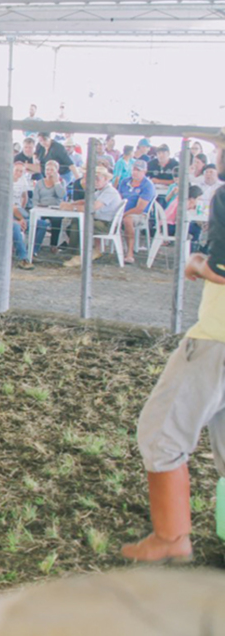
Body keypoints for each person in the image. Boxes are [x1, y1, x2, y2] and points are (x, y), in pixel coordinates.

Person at [121, 188, 225, 563]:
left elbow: (223, 268)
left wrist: (199, 263)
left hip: (217, 340)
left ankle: (171, 537)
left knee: (161, 433)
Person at [61, 167, 125, 266]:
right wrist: (72, 204)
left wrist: (71, 208)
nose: (95, 181)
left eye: (98, 179)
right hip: (100, 222)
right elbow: (86, 201)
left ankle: (77, 254)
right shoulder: (100, 190)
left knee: (79, 224)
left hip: (106, 225)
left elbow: (92, 207)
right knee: (75, 222)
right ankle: (74, 251)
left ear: (106, 179)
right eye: (93, 179)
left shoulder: (109, 191)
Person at [119, 159, 157, 264]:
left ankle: (129, 253)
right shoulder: (124, 181)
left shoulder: (147, 185)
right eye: (134, 169)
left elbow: (140, 208)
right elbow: (118, 198)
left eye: (138, 170)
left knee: (128, 220)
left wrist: (122, 215)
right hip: (121, 211)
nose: (135, 172)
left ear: (144, 172)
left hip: (139, 214)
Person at [32, 160, 67, 254]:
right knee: (40, 221)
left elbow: (61, 195)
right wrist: (38, 206)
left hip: (55, 208)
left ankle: (53, 245)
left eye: (52, 170)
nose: (49, 172)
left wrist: (56, 182)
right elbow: (35, 198)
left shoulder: (61, 182)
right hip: (41, 208)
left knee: (56, 220)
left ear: (56, 171)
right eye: (47, 169)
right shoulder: (39, 183)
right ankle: (35, 246)